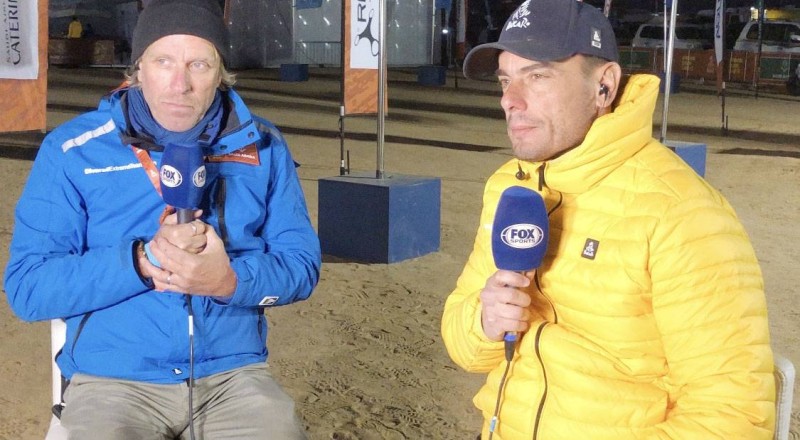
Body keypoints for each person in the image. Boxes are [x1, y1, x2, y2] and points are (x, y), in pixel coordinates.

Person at [441, 1, 775, 439]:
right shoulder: (510, 187)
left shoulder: (681, 212)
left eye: (537, 76)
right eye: (506, 79)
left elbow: (734, 417)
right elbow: (464, 349)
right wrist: (485, 323)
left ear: (604, 86)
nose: (510, 100)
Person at [4, 0, 320, 438]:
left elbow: (301, 267)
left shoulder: (265, 146)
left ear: (221, 72)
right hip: (113, 379)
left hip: (231, 377)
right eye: (163, 61)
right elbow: (28, 289)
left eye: (199, 64)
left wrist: (229, 281)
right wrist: (141, 262)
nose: (180, 84)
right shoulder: (73, 150)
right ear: (138, 68)